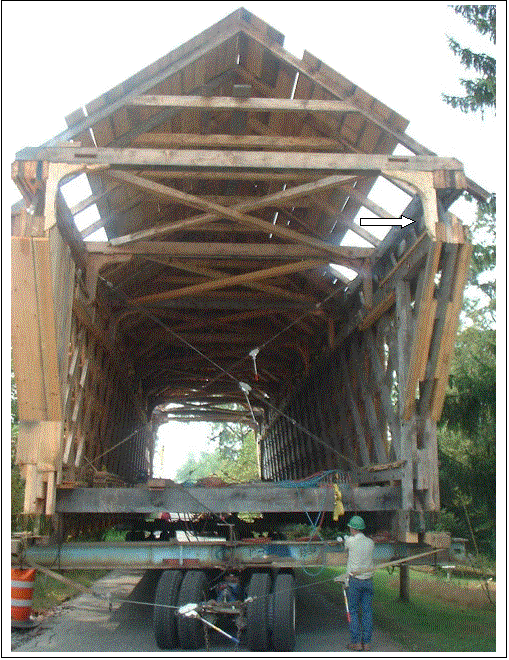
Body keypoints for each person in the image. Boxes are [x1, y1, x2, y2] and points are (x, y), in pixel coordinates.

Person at [342, 515, 375, 652]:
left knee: (353, 611)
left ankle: (356, 642)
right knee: (367, 612)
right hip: (368, 580)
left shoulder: (350, 541)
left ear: (353, 529)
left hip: (355, 581)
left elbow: (346, 548)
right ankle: (366, 643)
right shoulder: (370, 542)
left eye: (350, 527)